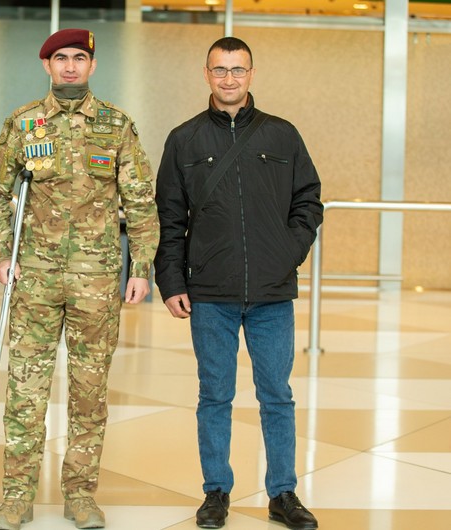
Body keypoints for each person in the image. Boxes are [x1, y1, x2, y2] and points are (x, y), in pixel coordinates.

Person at [0, 28, 159, 530]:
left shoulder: (116, 125)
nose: (70, 66)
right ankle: (17, 497)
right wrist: (2, 252)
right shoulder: (24, 123)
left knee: (89, 393)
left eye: (80, 57)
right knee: (26, 392)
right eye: (61, 58)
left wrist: (140, 268)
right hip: (34, 281)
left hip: (96, 283)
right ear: (47, 65)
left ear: (92, 65)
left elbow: (141, 200)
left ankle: (80, 495)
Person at [153, 37, 323, 530]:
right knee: (215, 395)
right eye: (220, 69)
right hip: (210, 294)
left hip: (272, 294)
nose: (229, 78)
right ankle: (216, 492)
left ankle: (283, 493)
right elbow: (169, 218)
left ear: (251, 74)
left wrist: (287, 252)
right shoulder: (183, 139)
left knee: (277, 395)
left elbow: (309, 201)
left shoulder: (282, 134)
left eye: (238, 69)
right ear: (206, 74)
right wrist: (171, 281)